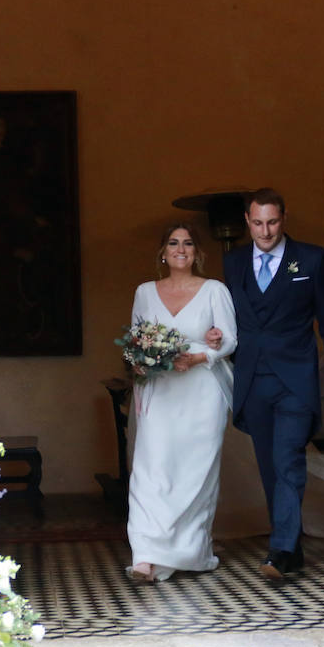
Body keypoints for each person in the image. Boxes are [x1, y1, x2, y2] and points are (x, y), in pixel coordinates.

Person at [217, 188, 324, 581]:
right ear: (247, 221)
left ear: (284, 218)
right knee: (269, 467)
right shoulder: (233, 262)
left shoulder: (310, 259)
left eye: (272, 222)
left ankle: (279, 551)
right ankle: (292, 548)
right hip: (252, 379)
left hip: (296, 379)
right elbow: (227, 319)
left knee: (289, 459)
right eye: (258, 223)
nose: (265, 231)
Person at [125, 223, 238, 582]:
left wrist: (203, 355)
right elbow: (136, 341)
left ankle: (188, 552)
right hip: (160, 390)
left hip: (202, 392)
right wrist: (141, 361)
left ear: (197, 252)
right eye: (173, 243)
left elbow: (230, 340)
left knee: (194, 474)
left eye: (188, 243)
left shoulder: (214, 290)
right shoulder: (145, 292)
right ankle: (145, 554)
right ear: (163, 251)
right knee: (151, 469)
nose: (180, 249)